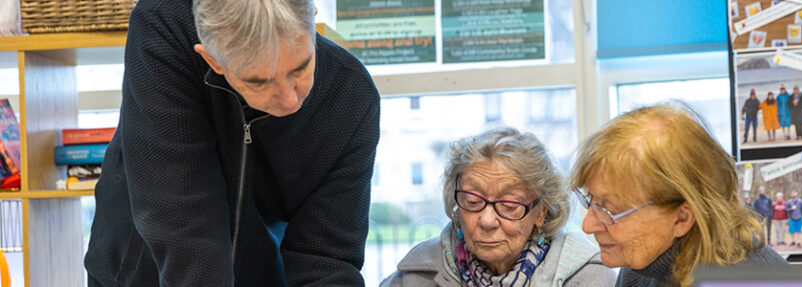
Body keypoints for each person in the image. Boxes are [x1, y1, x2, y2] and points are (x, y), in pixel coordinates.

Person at [84, 0, 381, 286]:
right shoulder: (164, 25)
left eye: (300, 68)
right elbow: (183, 226)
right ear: (212, 60)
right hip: (144, 270)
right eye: (258, 81)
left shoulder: (351, 98)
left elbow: (325, 258)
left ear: (312, 16)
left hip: (260, 269)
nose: (291, 99)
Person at [570, 104, 787, 287]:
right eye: (590, 200)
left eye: (610, 210)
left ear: (682, 218)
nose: (588, 225)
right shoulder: (640, 266)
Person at [380, 127, 616, 287]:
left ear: (541, 211)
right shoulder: (415, 276)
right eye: (472, 202)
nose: (487, 221)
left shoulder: (589, 278)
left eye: (509, 205)